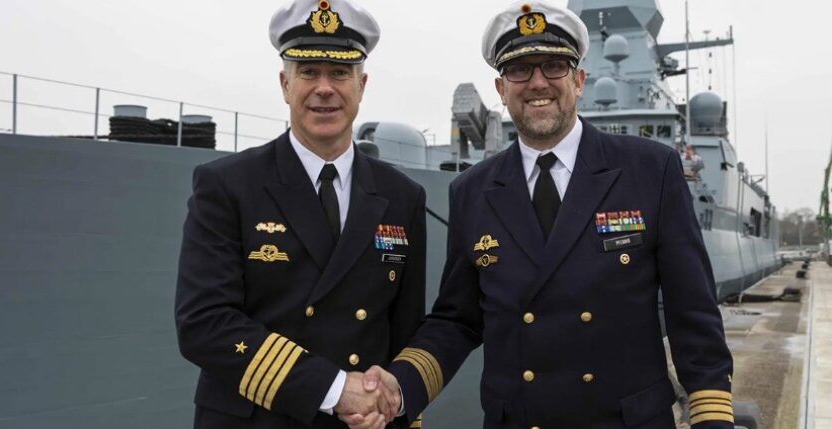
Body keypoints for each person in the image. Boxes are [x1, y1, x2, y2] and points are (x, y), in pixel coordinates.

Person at [354, 1, 735, 428]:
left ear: (579, 80)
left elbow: (693, 312)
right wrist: (398, 388)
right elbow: (457, 321)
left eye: (553, 66)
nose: (538, 83)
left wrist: (711, 417)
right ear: (501, 89)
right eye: (519, 70)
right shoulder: (472, 191)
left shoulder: (651, 171)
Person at [174, 1, 426, 428]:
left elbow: (403, 331)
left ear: (361, 85)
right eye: (308, 71)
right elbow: (204, 323)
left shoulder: (402, 196)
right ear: (284, 84)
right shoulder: (227, 185)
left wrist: (391, 405)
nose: (324, 88)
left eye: (339, 73)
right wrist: (333, 389)